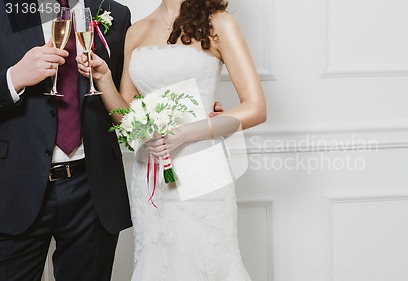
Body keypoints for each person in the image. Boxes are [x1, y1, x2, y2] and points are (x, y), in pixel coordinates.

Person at [77, 0, 267, 279]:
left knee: (202, 259)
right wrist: (105, 79)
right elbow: (126, 115)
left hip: (200, 170)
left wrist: (185, 133)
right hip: (149, 177)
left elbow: (256, 107)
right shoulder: (137, 30)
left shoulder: (219, 23)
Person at [0, 0, 133, 280]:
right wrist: (15, 78)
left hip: (92, 191)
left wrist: (197, 116)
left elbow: (128, 102)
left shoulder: (116, 13)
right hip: (14, 188)